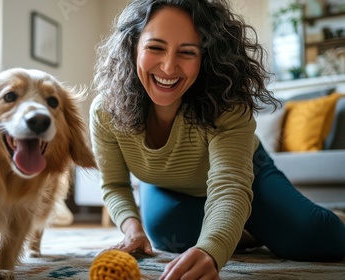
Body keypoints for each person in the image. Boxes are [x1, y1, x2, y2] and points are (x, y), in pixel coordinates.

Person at [89, 0, 345, 279]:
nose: (168, 66)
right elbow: (114, 185)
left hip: (248, 175)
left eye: (187, 52)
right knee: (167, 235)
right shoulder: (105, 111)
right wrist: (132, 229)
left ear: (205, 57)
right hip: (166, 185)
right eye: (155, 47)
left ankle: (300, 220)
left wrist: (212, 250)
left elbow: (229, 186)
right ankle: (249, 229)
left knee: (315, 238)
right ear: (133, 47)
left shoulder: (227, 104)